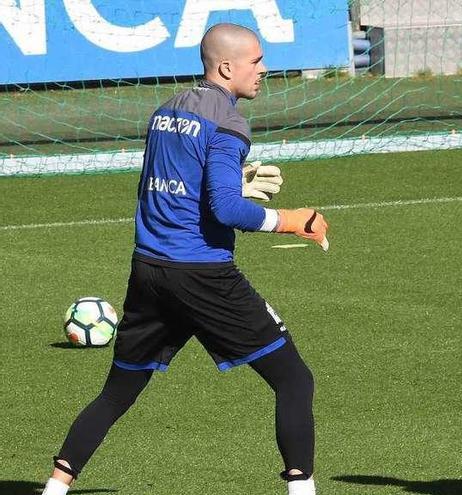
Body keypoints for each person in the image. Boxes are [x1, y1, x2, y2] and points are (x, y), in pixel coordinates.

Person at [40, 23, 328, 495]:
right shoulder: (229, 123)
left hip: (149, 272)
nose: (264, 70)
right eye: (256, 61)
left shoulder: (165, 111)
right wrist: (293, 219)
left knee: (117, 392)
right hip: (203, 275)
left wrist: (234, 182)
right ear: (227, 66)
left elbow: (167, 186)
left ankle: (55, 488)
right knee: (294, 380)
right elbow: (227, 210)